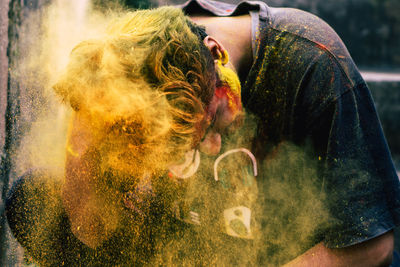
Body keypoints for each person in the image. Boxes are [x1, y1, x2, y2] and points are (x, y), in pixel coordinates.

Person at [5, 1, 400, 266]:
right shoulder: (129, 79)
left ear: (217, 56)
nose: (213, 146)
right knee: (33, 199)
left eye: (209, 126)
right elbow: (90, 231)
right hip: (192, 246)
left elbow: (373, 243)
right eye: (185, 151)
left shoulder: (310, 58)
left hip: (282, 254)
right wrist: (84, 124)